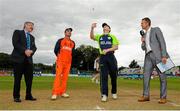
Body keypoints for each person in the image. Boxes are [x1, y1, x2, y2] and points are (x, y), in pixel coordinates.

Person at [138, 17, 169, 104]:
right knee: (146, 76)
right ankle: (146, 95)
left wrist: (164, 56)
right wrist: (143, 41)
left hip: (158, 56)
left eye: (142, 23)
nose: (141, 24)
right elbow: (143, 48)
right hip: (148, 56)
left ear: (147, 23)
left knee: (162, 76)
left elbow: (162, 42)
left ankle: (163, 97)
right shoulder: (143, 34)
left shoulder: (156, 30)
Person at [90, 23, 119, 102]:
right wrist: (92, 28)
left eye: (107, 26)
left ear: (109, 29)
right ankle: (104, 94)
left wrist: (108, 50)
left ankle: (114, 92)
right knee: (103, 76)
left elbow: (116, 47)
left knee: (113, 75)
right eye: (104, 26)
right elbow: (92, 37)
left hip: (111, 57)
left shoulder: (112, 36)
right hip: (103, 57)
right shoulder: (100, 36)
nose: (105, 27)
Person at [11, 21, 37, 102]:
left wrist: (31, 51)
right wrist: (25, 51)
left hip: (29, 60)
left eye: (33, 26)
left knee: (29, 79)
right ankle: (16, 96)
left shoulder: (32, 37)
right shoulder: (17, 32)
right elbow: (15, 43)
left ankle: (28, 95)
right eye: (30, 25)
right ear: (25, 25)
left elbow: (34, 47)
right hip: (18, 59)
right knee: (17, 79)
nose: (32, 27)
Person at [51, 28, 75, 100]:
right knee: (58, 76)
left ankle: (62, 92)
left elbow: (72, 52)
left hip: (68, 63)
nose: (69, 32)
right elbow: (55, 50)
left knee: (65, 77)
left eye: (70, 32)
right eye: (68, 31)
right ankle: (55, 93)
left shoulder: (73, 42)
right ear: (65, 33)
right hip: (60, 61)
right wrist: (60, 58)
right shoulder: (60, 40)